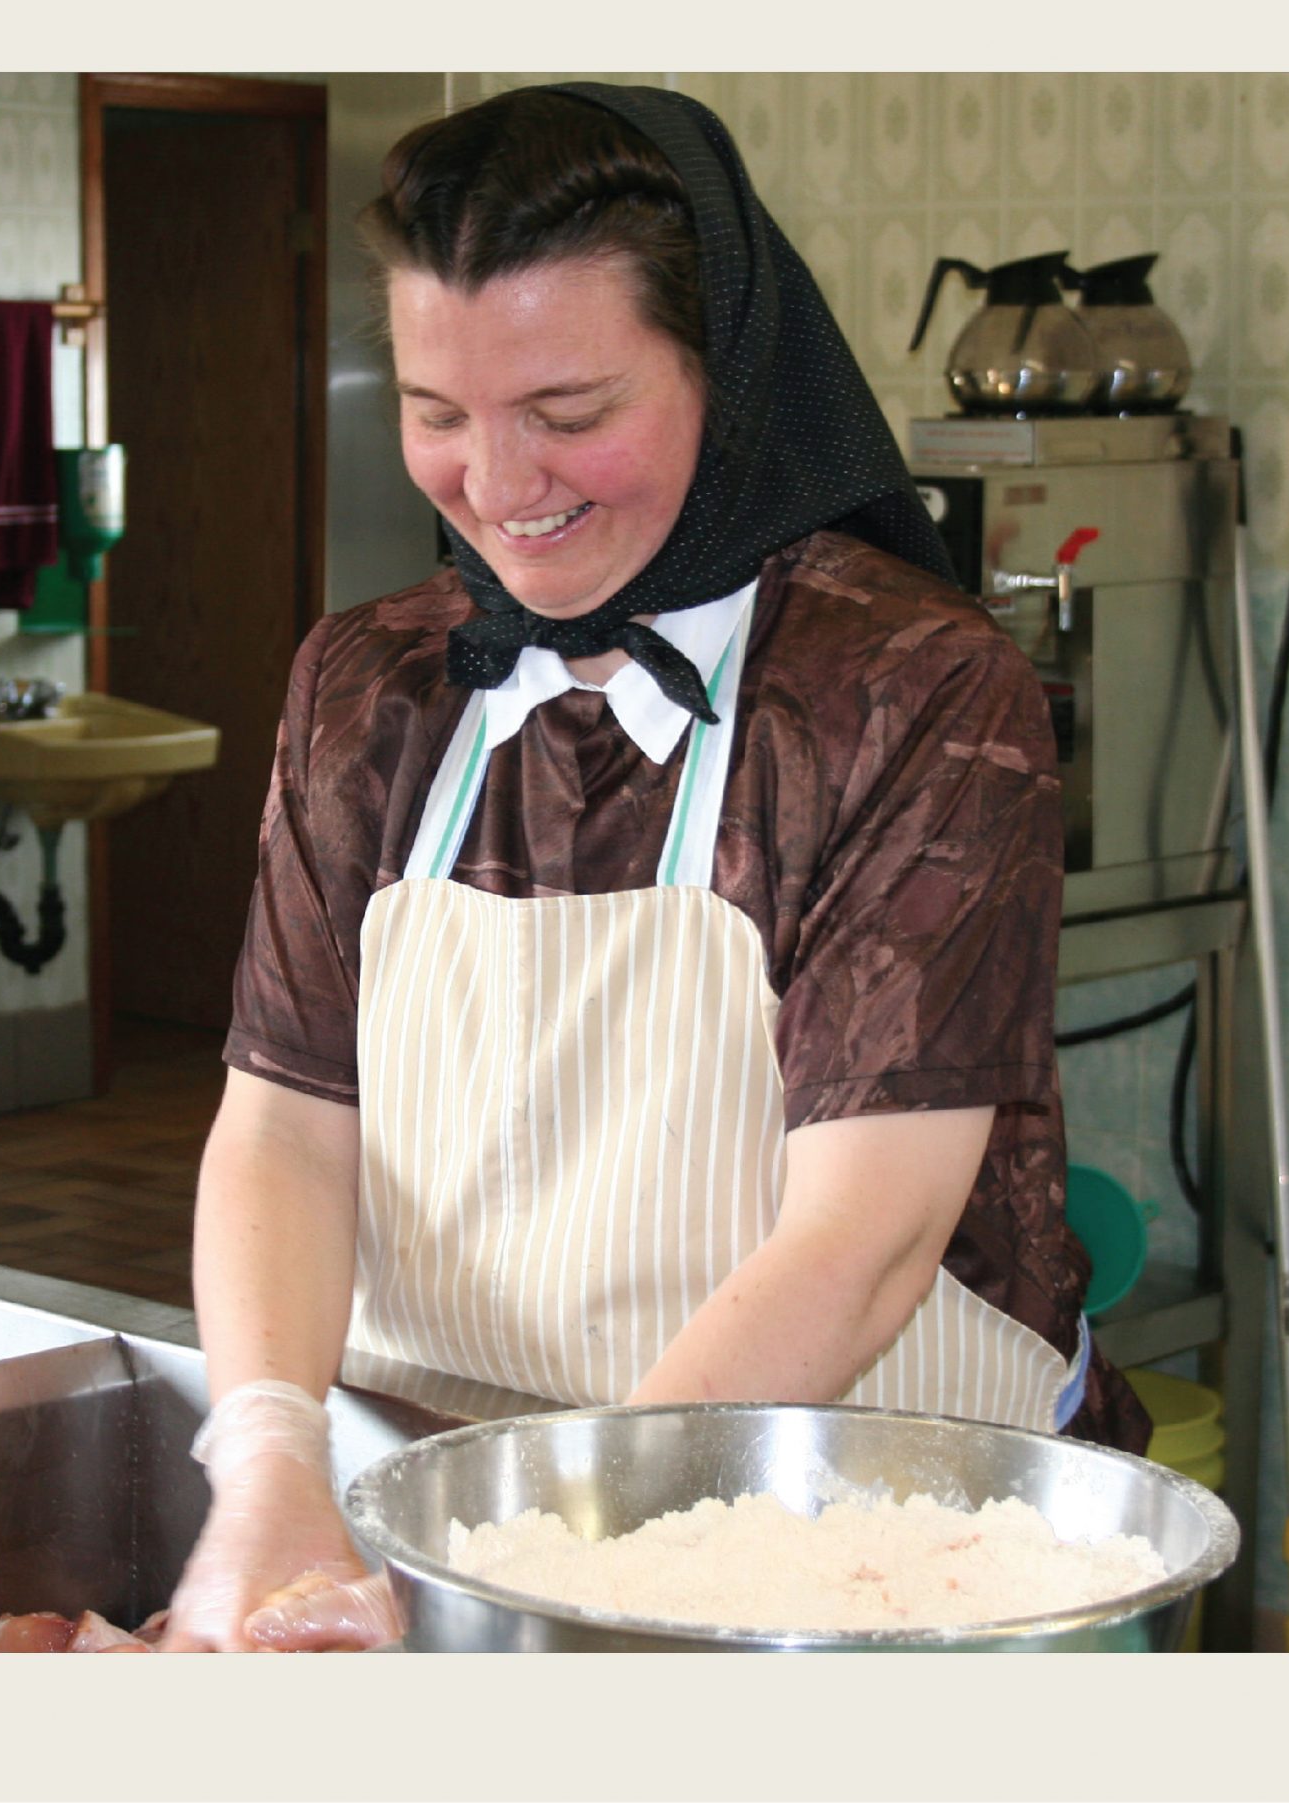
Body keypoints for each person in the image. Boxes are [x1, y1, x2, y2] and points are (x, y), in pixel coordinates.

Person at [158, 83, 1149, 1654]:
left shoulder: (910, 690)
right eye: (435, 413)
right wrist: (270, 1454)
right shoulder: (370, 684)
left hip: (852, 1535)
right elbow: (284, 1123)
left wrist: (552, 1565)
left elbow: (866, 1233)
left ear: (728, 368)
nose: (497, 485)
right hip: (437, 1487)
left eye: (568, 413)